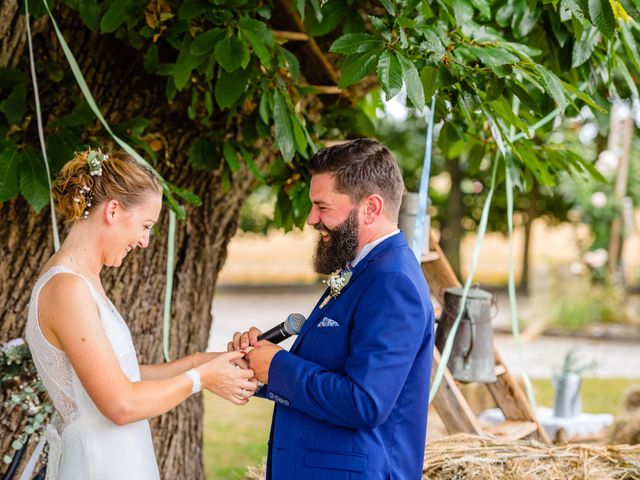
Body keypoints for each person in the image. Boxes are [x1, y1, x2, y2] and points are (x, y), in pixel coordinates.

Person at [25, 148, 257, 479]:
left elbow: (123, 377)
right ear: (114, 210)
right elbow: (121, 404)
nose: (145, 241)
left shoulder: (82, 282)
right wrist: (201, 379)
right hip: (100, 465)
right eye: (146, 225)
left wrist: (204, 363)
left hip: (119, 457)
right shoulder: (67, 289)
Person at [229, 138, 435, 480]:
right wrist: (260, 367)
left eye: (322, 207)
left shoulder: (393, 282)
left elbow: (365, 402)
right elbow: (328, 370)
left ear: (370, 208)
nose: (311, 219)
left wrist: (278, 366)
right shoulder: (364, 270)